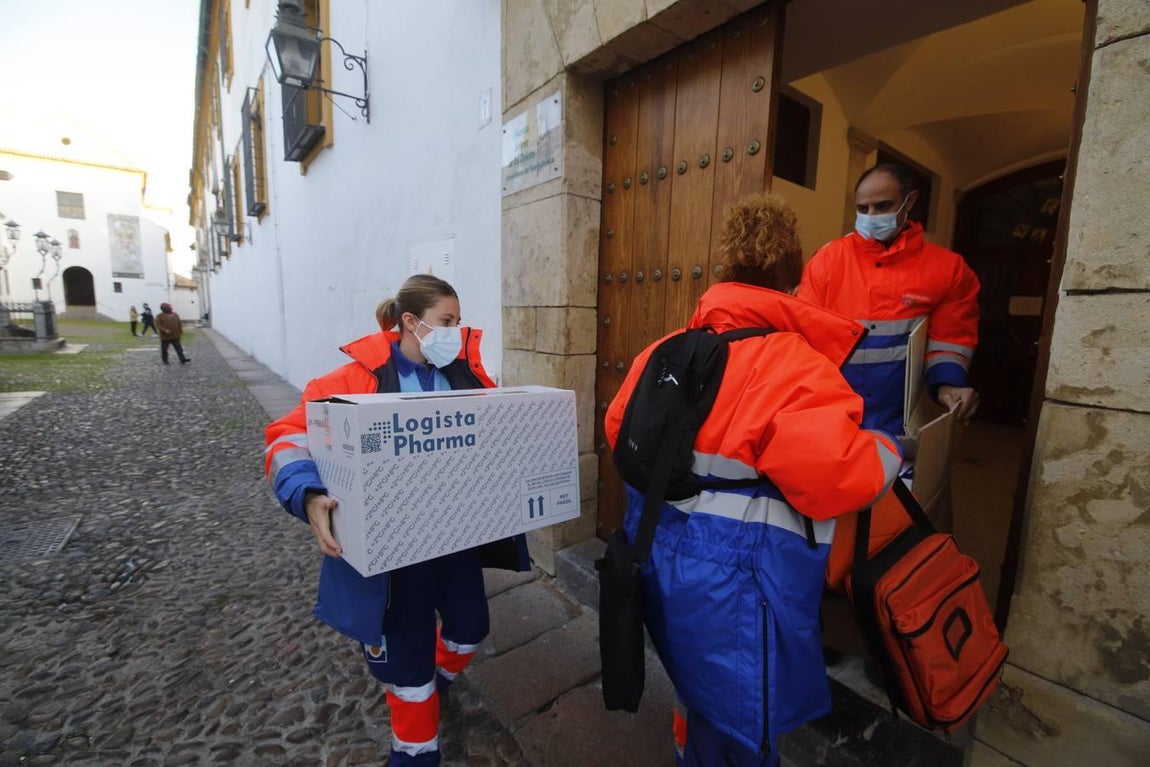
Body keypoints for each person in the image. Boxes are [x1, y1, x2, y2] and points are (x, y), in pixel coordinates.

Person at [604, 193, 903, 766]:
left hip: (657, 556)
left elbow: (618, 430)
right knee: (744, 729)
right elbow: (841, 476)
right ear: (792, 283)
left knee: (693, 684)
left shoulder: (661, 352)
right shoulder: (795, 365)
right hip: (741, 581)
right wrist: (893, 448)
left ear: (726, 273)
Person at [264, 274, 530, 767]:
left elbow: (496, 434)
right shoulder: (350, 380)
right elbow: (288, 437)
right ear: (411, 322)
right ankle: (413, 753)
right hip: (391, 552)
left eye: (458, 321)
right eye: (445, 321)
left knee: (470, 628)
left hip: (454, 538)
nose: (455, 330)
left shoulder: (466, 376)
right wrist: (307, 494)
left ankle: (439, 681)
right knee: (409, 674)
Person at [798, 162, 981, 434]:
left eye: (882, 206)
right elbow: (802, 338)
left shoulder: (949, 270)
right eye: (863, 209)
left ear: (910, 202)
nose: (871, 216)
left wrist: (949, 385)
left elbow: (951, 340)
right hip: (832, 417)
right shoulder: (826, 261)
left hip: (902, 422)